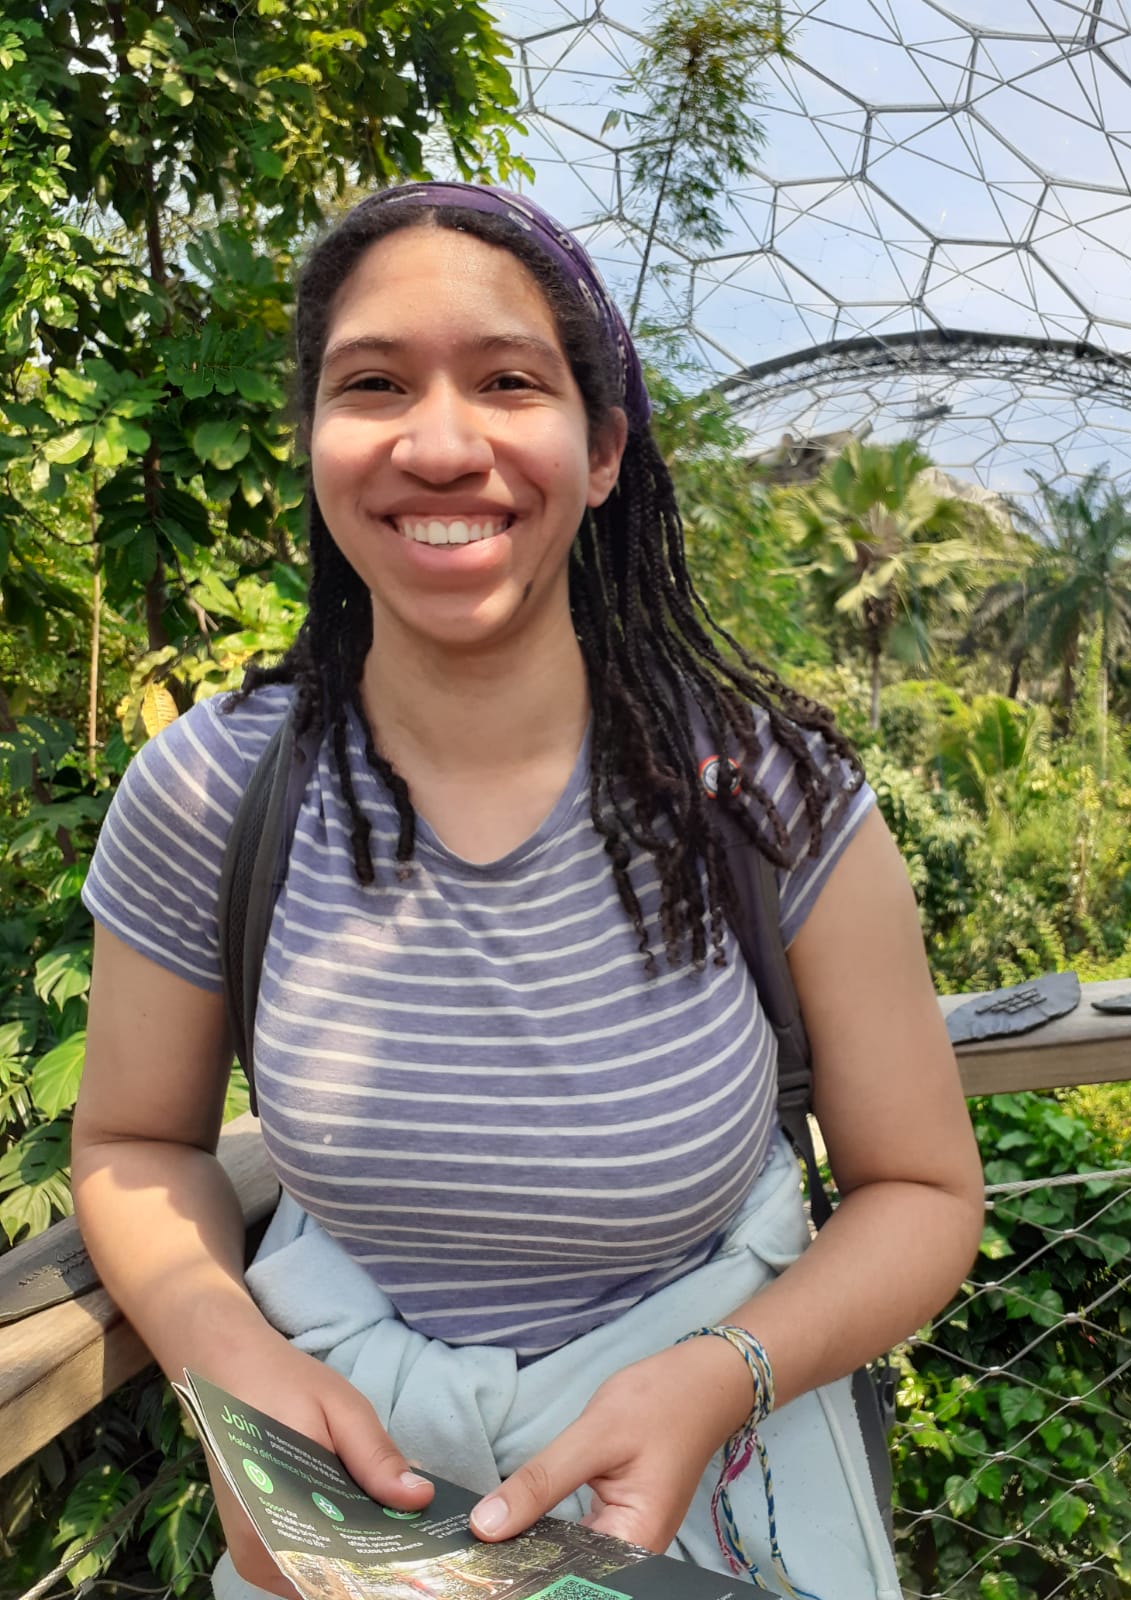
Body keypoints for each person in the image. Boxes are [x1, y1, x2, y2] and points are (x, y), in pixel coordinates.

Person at [73, 182, 984, 1600]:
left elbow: (923, 1187)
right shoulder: (210, 791)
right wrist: (230, 1378)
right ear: (315, 440)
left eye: (508, 381)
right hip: (344, 1518)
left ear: (604, 447)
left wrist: (721, 1378)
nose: (440, 444)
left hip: (713, 1488)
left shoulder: (768, 791)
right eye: (372, 383)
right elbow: (135, 1142)